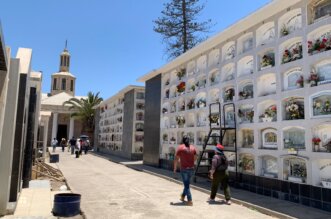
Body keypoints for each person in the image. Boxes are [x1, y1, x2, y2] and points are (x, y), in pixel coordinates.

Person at [173, 135, 197, 206]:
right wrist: (191, 162)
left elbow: (176, 159)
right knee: (187, 184)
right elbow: (196, 157)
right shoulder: (193, 148)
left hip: (184, 169)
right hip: (191, 169)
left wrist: (175, 168)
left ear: (182, 140)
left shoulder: (180, 148)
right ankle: (183, 196)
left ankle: (190, 200)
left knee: (186, 185)